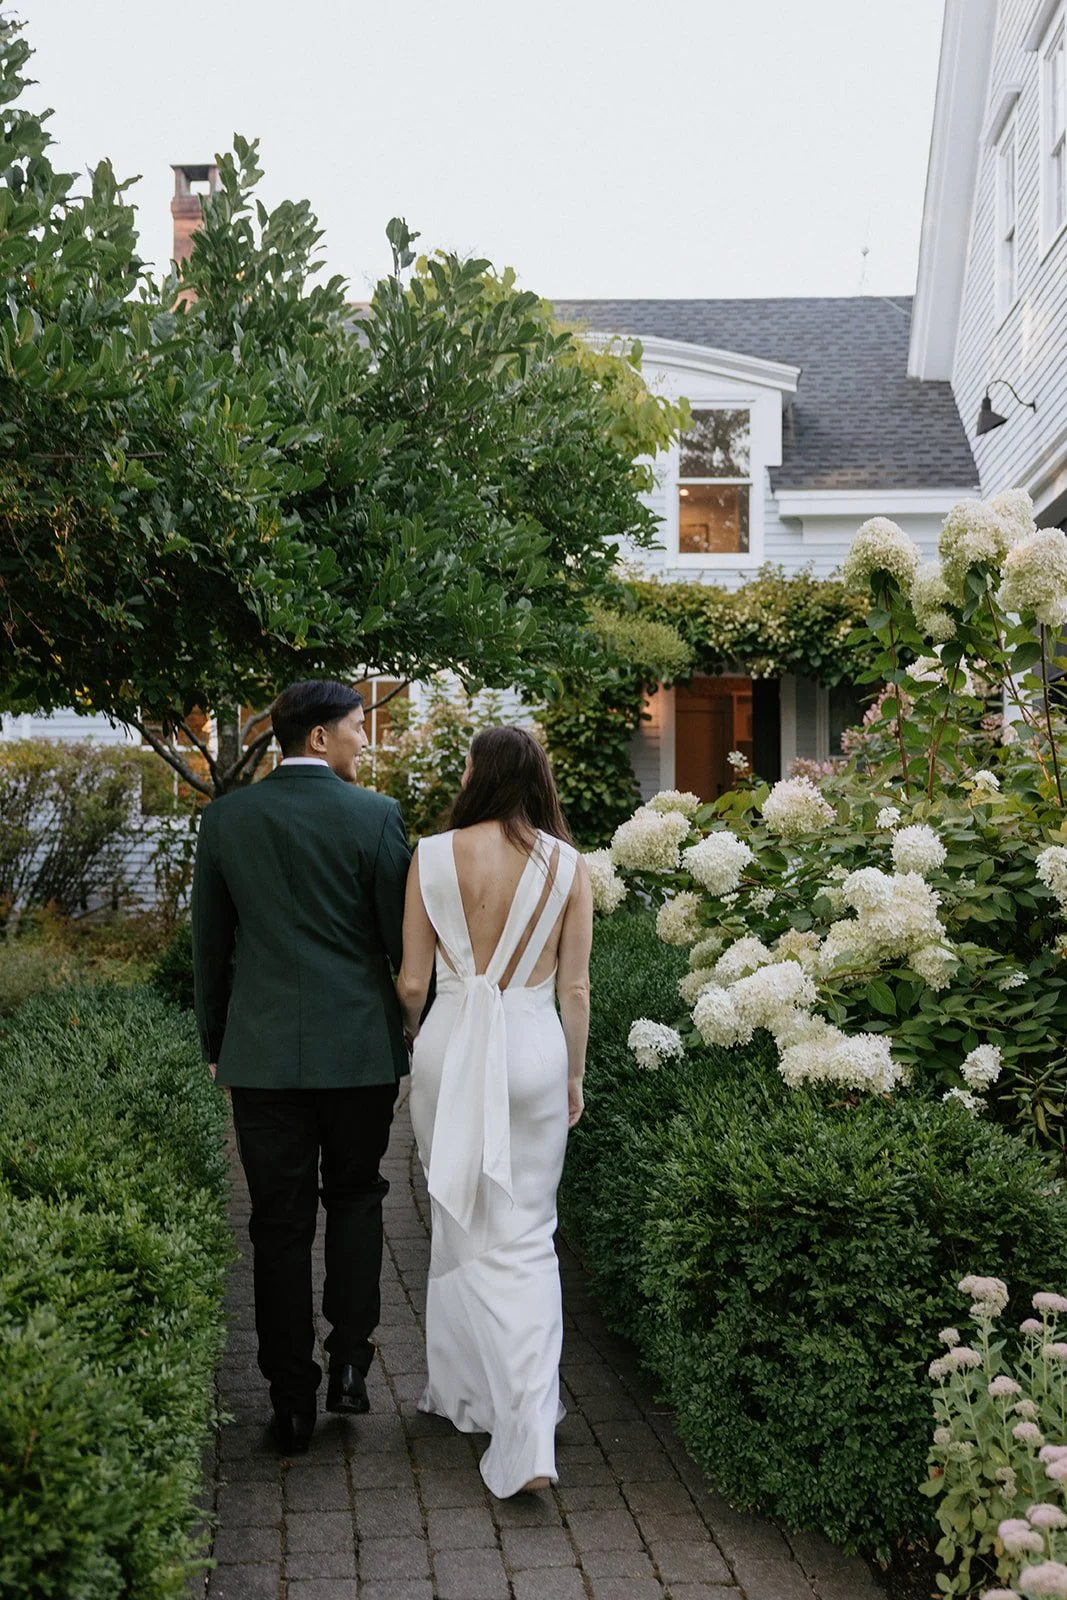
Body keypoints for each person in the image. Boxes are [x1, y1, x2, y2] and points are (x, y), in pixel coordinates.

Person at [192, 679, 410, 1456]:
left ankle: (290, 1401)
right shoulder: (377, 816)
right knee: (356, 1198)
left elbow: (209, 947)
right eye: (357, 727)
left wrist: (217, 1040)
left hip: (261, 1056)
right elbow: (397, 941)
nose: (364, 739)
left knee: (277, 1226)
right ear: (318, 737)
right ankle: (350, 1363)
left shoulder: (224, 820)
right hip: (358, 1052)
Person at [397, 725, 593, 1498]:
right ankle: (468, 1395)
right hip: (533, 1053)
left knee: (459, 1217)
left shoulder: (431, 854)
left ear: (477, 774)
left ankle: (521, 1429)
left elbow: (412, 984)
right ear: (537, 777)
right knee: (526, 1236)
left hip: (449, 1048)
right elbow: (574, 990)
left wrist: (427, 1036)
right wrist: (572, 1075)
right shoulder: (568, 863)